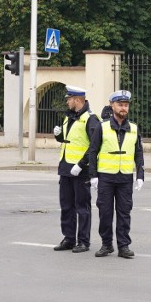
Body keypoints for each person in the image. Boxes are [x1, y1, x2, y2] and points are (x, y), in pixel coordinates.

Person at [89, 90, 144, 259]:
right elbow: (93, 151)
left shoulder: (133, 128)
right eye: (120, 105)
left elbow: (138, 153)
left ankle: (123, 246)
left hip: (125, 177)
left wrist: (140, 175)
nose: (123, 108)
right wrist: (93, 176)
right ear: (112, 106)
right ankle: (106, 244)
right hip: (106, 177)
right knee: (105, 213)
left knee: (124, 213)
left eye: (126, 105)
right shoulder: (102, 127)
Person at [52, 85, 101, 253]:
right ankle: (69, 238)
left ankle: (83, 241)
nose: (67, 101)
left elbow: (95, 146)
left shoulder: (90, 119)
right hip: (66, 168)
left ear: (78, 100)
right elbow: (68, 141)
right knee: (66, 205)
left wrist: (80, 165)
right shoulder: (69, 117)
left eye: (69, 99)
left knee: (82, 207)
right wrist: (58, 135)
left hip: (81, 171)